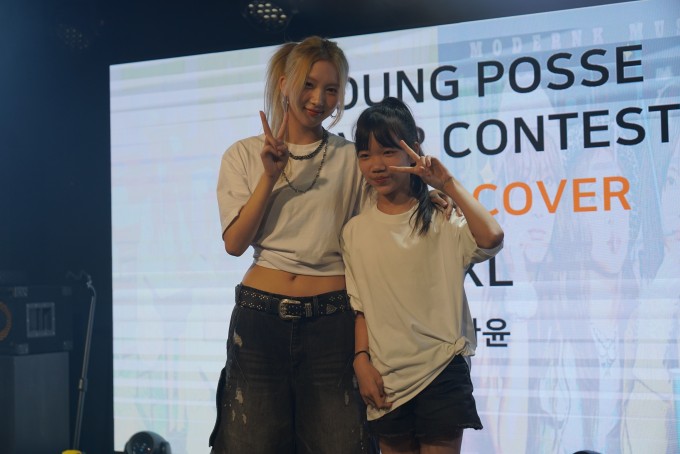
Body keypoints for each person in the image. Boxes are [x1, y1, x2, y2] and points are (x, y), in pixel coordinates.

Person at [209, 36, 370, 454]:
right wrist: (269, 175)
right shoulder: (244, 154)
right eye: (308, 85)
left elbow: (375, 238)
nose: (319, 99)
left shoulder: (352, 158)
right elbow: (235, 243)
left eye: (331, 89)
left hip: (333, 323)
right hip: (259, 321)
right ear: (284, 84)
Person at [341, 97, 504, 454]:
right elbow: (361, 307)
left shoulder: (441, 216)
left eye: (388, 152)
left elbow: (492, 237)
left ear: (413, 150)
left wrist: (447, 184)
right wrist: (360, 360)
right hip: (387, 379)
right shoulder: (354, 232)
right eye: (365, 155)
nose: (377, 165)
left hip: (442, 370)